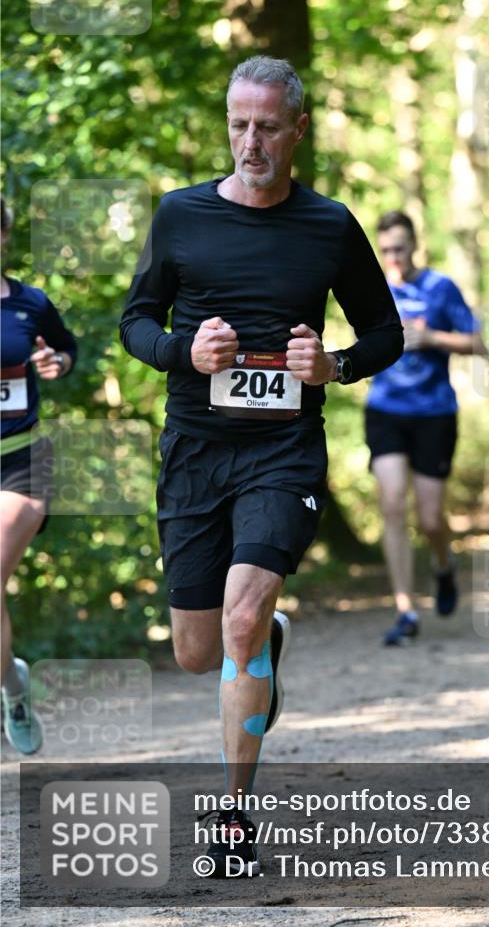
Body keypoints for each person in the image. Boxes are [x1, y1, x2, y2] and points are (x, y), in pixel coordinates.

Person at [119, 56, 403, 876]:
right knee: (198, 654)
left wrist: (334, 368)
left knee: (239, 623)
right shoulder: (180, 216)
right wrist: (182, 350)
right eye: (239, 125)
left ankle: (233, 819)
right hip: (194, 454)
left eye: (267, 127)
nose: (251, 141)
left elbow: (383, 333)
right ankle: (265, 642)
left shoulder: (328, 225)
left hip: (283, 453)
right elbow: (134, 320)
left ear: (297, 130)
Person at [365, 211, 485, 646]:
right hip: (385, 411)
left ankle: (442, 564)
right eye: (386, 251)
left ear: (414, 244)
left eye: (399, 248)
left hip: (434, 413)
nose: (393, 258)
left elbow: (478, 342)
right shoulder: (374, 290)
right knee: (393, 504)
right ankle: (405, 610)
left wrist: (431, 337)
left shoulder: (440, 288)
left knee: (431, 518)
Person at [1, 194, 78, 754]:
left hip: (24, 460)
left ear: (4, 237)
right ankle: (13, 689)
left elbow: (68, 351)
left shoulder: (30, 304)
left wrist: (57, 363)